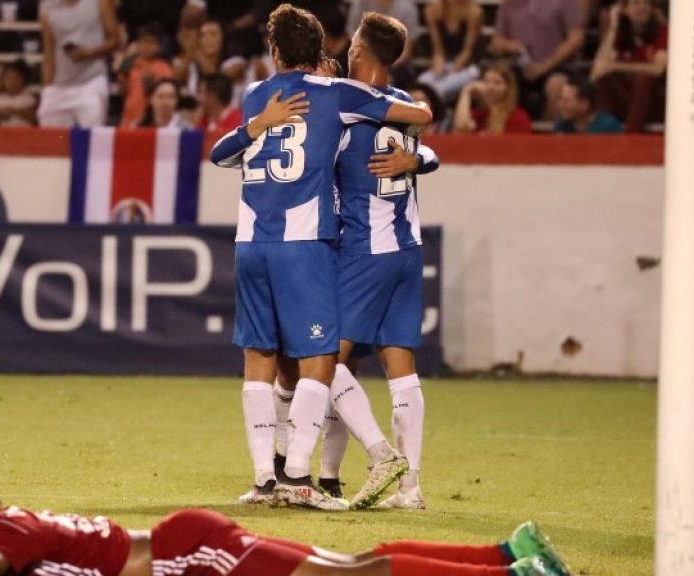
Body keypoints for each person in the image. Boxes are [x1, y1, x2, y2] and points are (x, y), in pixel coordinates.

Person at [208, 4, 432, 511]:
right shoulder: (341, 94)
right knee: (320, 362)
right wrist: (418, 156)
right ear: (326, 50)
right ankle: (311, 475)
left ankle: (269, 478)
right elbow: (418, 117)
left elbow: (220, 153)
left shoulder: (256, 97)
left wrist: (257, 126)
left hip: (252, 242)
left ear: (273, 51)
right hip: (310, 243)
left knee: (261, 361)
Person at [0, 466, 571, 576]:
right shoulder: (10, 525)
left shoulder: (5, 540)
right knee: (350, 562)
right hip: (192, 543)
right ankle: (503, 553)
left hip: (192, 557)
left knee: (354, 573)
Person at [487, 0, 584, 120]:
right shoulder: (508, 4)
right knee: (495, 83)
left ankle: (547, 134)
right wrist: (511, 45)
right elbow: (496, 41)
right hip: (519, 66)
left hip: (555, 65)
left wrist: (543, 66)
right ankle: (503, 129)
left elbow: (576, 37)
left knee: (557, 85)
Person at [37, 0, 121, 127]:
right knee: (53, 140)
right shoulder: (46, 6)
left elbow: (115, 40)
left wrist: (89, 52)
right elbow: (49, 52)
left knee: (90, 139)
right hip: (59, 85)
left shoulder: (100, 2)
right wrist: (47, 88)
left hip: (91, 81)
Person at [589, 0, 667, 132]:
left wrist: (617, 66)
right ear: (624, 9)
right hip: (626, 100)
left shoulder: (662, 32)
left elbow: (657, 69)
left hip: (655, 102)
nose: (642, 7)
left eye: (646, 3)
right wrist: (613, 26)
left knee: (643, 79)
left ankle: (631, 134)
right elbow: (596, 73)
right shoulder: (620, 34)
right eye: (636, 3)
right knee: (604, 79)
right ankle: (602, 131)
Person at [416, 0, 483, 104]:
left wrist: (450, 72)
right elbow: (438, 50)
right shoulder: (432, 10)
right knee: (423, 82)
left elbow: (467, 52)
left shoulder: (474, 12)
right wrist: (438, 70)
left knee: (440, 88)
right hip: (446, 63)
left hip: (468, 66)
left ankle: (440, 116)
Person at [118, 23, 174, 127]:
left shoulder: (164, 67)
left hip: (151, 121)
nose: (147, 46)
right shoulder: (131, 65)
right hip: (129, 118)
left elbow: (166, 92)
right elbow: (122, 91)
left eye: (152, 42)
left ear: (159, 46)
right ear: (138, 44)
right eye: (144, 42)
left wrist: (150, 84)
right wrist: (126, 60)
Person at [453, 63, 531, 134]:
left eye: (497, 83)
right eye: (486, 82)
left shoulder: (518, 117)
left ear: (508, 89)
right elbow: (461, 127)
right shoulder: (478, 115)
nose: (490, 87)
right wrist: (466, 91)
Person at [553, 77, 622, 134]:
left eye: (566, 101)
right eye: (560, 99)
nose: (560, 105)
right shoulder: (561, 126)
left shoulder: (609, 127)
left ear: (584, 104)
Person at [0, 60, 38, 126]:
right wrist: (0, 115)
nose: (12, 82)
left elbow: (34, 117)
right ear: (3, 80)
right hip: (3, 134)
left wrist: (14, 112)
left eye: (16, 78)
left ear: (23, 79)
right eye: (8, 78)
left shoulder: (29, 97)